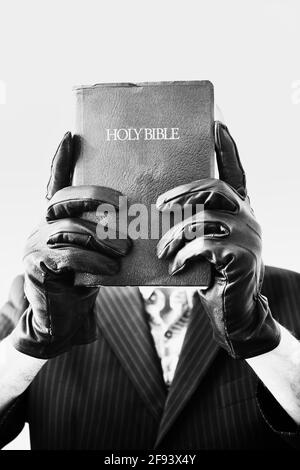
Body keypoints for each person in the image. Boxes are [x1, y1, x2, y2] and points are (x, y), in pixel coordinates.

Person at [0, 122, 300, 450]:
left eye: (181, 163)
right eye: (131, 166)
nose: (151, 179)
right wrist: (31, 341)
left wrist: (261, 338)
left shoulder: (293, 292)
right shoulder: (36, 296)